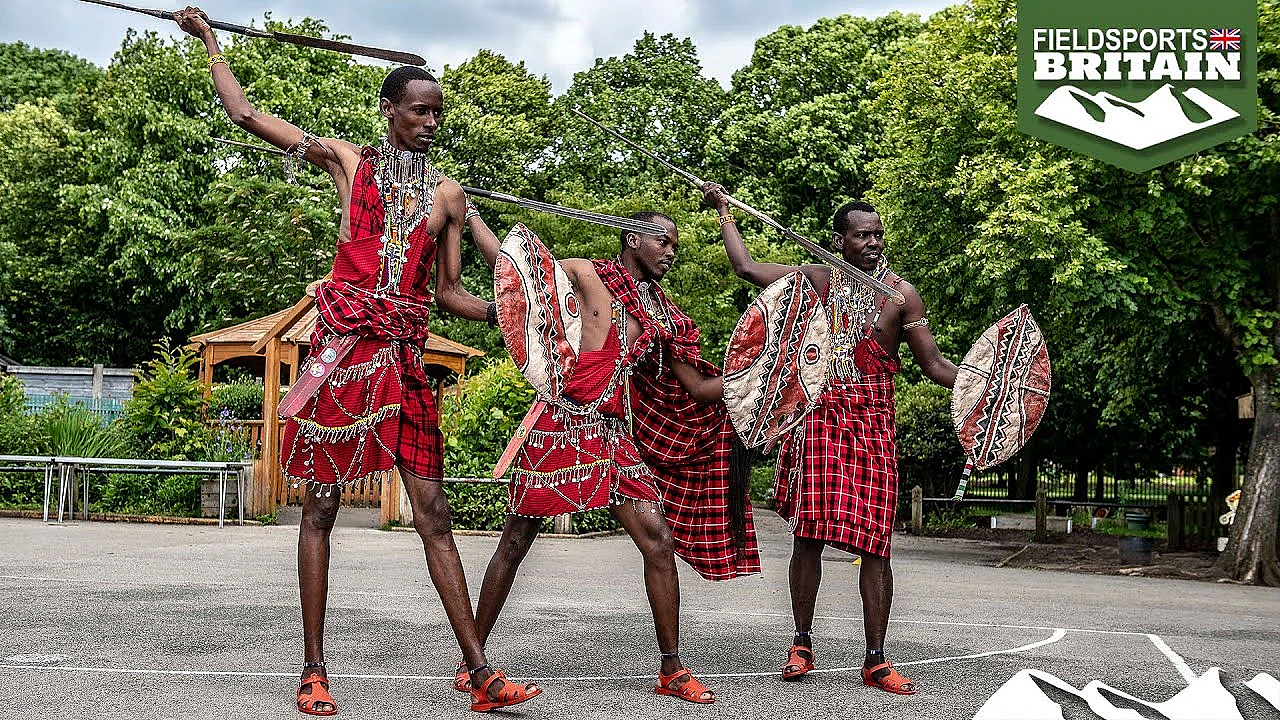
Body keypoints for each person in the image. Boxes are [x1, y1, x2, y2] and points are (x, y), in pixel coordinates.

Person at [173, 8, 540, 714]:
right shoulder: (349, 162)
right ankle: (314, 670)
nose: (432, 123)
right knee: (320, 503)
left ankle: (481, 674)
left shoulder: (448, 196)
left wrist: (507, 313)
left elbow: (452, 293)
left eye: (438, 113)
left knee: (433, 512)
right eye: (419, 111)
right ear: (390, 110)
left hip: (403, 361)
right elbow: (247, 115)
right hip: (344, 354)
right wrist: (212, 44)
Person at [460, 212, 760, 704]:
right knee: (514, 544)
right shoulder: (584, 272)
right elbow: (514, 270)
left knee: (658, 542)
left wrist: (758, 375)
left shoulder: (667, 317)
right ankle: (473, 664)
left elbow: (699, 388)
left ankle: (671, 668)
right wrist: (470, 215)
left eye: (675, 244)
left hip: (611, 433)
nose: (671, 250)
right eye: (663, 240)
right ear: (631, 237)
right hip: (559, 420)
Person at [704, 184, 957, 695]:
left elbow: (933, 364)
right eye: (862, 235)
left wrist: (979, 379)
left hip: (874, 424)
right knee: (810, 535)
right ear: (839, 240)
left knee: (877, 546)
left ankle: (877, 659)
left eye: (878, 234)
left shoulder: (901, 295)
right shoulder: (816, 280)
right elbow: (748, 271)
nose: (873, 242)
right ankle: (801, 643)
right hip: (817, 418)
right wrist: (725, 213)